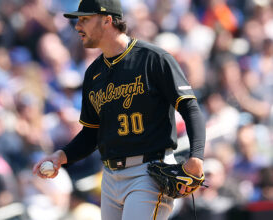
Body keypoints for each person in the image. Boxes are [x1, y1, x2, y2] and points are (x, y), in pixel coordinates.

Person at [33, 0, 206, 219]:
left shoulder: (153, 59)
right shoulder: (93, 73)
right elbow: (92, 133)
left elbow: (190, 107)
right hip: (110, 177)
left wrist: (197, 156)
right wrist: (62, 155)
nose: (78, 26)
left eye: (85, 19)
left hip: (149, 171)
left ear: (107, 20)